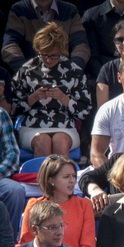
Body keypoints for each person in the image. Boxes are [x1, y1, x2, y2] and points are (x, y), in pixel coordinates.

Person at [11, 23, 91, 158]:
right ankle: (42, 179)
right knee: (43, 142)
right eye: (44, 55)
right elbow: (12, 107)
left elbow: (84, 111)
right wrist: (33, 98)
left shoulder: (74, 71)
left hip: (65, 126)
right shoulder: (27, 70)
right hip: (33, 125)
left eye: (54, 55)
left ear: (61, 51)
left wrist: (63, 98)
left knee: (60, 141)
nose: (48, 60)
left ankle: (62, 177)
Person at [18, 155, 95, 247]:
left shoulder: (84, 205)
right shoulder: (34, 205)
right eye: (66, 177)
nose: (72, 180)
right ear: (51, 180)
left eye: (73, 176)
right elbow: (26, 244)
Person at [2, 0, 90, 72]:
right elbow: (9, 45)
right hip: (29, 76)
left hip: (63, 74)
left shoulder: (70, 10)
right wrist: (24, 70)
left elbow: (81, 46)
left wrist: (73, 68)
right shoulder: (19, 9)